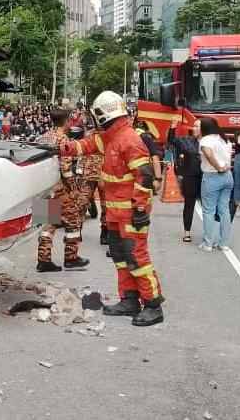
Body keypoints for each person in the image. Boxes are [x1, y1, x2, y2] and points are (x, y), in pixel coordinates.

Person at [58, 91, 164, 327]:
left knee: (137, 259)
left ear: (102, 115)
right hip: (116, 214)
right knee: (121, 258)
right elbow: (86, 145)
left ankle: (153, 305)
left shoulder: (129, 139)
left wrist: (139, 210)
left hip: (130, 214)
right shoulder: (111, 136)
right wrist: (63, 148)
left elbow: (144, 177)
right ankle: (129, 300)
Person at [36, 108, 90, 272]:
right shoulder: (64, 140)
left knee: (47, 224)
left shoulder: (43, 137)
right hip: (60, 188)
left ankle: (43, 260)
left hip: (43, 187)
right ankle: (71, 258)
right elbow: (66, 168)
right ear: (66, 121)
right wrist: (74, 188)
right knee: (73, 220)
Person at [198, 117, 234, 251]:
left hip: (212, 176)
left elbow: (208, 153)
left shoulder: (206, 139)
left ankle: (208, 243)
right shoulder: (224, 139)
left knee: (208, 211)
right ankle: (223, 243)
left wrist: (218, 166)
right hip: (228, 176)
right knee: (224, 210)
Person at [172, 119, 203, 244]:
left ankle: (210, 233)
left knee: (208, 206)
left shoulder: (210, 142)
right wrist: (173, 128)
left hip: (206, 177)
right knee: (189, 204)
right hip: (190, 177)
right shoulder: (187, 141)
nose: (194, 128)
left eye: (197, 126)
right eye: (194, 125)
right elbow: (172, 141)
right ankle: (187, 232)